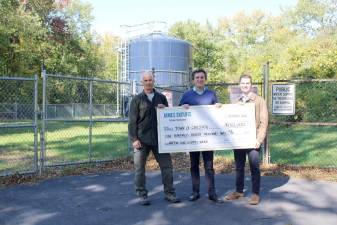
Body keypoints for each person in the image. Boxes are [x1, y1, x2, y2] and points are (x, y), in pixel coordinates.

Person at [128, 71, 180, 206]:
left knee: (167, 167)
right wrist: (134, 139)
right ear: (142, 82)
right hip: (142, 140)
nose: (148, 82)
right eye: (145, 80)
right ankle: (142, 195)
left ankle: (169, 193)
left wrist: (164, 109)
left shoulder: (161, 97)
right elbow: (132, 122)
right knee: (139, 169)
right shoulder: (137, 100)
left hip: (160, 140)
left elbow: (168, 117)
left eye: (150, 80)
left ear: (154, 80)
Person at [179, 68, 223, 203]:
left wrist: (219, 107)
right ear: (193, 80)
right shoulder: (186, 95)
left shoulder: (211, 94)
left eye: (202, 77)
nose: (199, 79)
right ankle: (195, 192)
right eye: (197, 77)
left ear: (205, 79)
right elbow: (178, 114)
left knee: (209, 166)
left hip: (208, 138)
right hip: (193, 138)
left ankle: (212, 193)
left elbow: (218, 114)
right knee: (194, 165)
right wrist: (182, 107)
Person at [224, 74, 268, 205]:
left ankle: (255, 194)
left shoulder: (259, 101)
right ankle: (238, 191)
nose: (245, 85)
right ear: (239, 85)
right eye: (243, 83)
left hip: (253, 140)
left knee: (254, 167)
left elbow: (263, 122)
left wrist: (259, 140)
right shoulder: (236, 102)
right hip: (239, 141)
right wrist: (220, 108)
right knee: (239, 166)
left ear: (251, 85)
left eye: (247, 83)